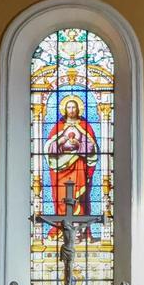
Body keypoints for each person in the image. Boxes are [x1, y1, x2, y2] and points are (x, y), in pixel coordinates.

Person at [44, 96, 98, 238]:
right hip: (60, 169)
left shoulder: (85, 126)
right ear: (64, 109)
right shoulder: (58, 127)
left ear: (78, 108)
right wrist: (62, 142)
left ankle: (78, 232)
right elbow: (49, 148)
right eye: (69, 107)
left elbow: (92, 148)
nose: (71, 110)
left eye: (74, 107)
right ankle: (64, 231)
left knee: (78, 197)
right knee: (62, 198)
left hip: (78, 166)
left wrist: (79, 145)